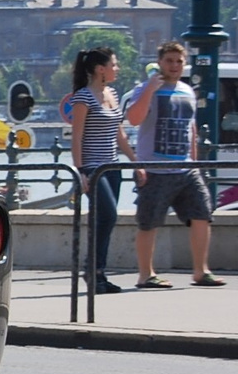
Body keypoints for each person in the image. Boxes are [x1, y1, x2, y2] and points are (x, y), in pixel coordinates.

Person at [124, 42, 226, 289]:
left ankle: (201, 271)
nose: (174, 66)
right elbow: (134, 119)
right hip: (156, 168)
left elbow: (191, 129)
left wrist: (195, 161)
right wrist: (150, 88)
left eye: (179, 61)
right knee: (149, 222)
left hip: (186, 169)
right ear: (160, 62)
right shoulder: (144, 89)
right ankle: (145, 274)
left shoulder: (187, 91)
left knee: (203, 214)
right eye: (169, 61)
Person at [69, 46, 135, 294]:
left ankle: (99, 273)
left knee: (105, 221)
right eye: (114, 64)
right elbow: (76, 138)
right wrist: (81, 171)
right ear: (100, 69)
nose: (117, 68)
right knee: (107, 216)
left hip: (112, 167)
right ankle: (92, 270)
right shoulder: (83, 98)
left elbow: (119, 134)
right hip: (93, 168)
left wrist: (135, 162)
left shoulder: (112, 94)